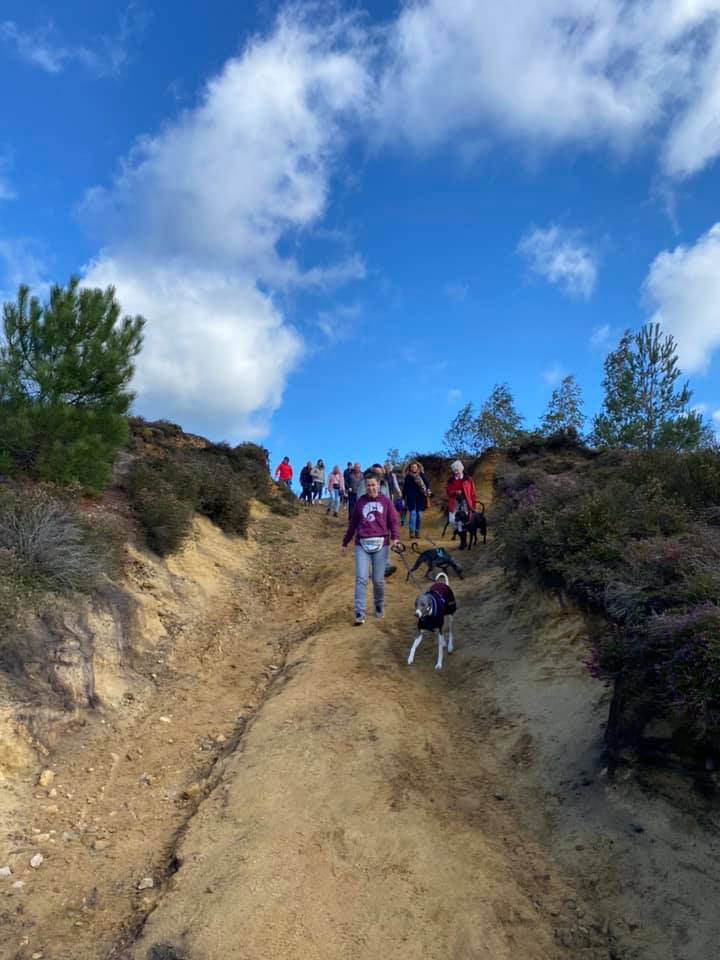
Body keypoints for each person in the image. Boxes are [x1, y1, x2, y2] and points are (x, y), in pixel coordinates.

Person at [342, 474, 400, 625]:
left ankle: (378, 604)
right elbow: (353, 523)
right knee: (361, 578)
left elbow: (393, 521)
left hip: (382, 544)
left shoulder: (386, 501)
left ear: (378, 485)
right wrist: (345, 542)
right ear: (365, 486)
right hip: (362, 544)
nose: (371, 487)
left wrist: (395, 538)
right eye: (368, 485)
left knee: (378, 580)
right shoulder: (360, 502)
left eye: (373, 485)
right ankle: (359, 612)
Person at [446, 459, 477, 550]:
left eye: (457, 470)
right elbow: (448, 492)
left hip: (466, 502)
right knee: (452, 521)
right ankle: (462, 538)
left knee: (463, 521)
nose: (456, 472)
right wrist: (455, 492)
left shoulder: (468, 479)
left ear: (461, 469)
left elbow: (473, 492)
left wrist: (473, 504)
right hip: (454, 502)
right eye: (454, 470)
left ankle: (463, 542)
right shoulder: (451, 480)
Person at [402, 460, 432, 539]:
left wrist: (428, 490)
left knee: (419, 515)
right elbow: (405, 488)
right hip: (411, 498)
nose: (414, 468)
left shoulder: (421, 474)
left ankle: (417, 532)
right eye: (412, 467)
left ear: (418, 467)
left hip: (420, 498)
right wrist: (403, 497)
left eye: (415, 467)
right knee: (412, 514)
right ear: (410, 468)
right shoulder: (408, 477)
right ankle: (411, 532)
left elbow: (427, 484)